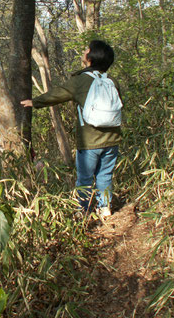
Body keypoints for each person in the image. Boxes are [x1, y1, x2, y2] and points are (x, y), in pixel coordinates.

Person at [21, 40, 122, 218]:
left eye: (87, 50)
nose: (84, 51)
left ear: (91, 57)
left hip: (89, 141)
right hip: (113, 139)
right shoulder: (112, 81)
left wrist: (34, 102)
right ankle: (104, 208)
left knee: (85, 178)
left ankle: (82, 211)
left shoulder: (81, 80)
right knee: (105, 175)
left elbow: (58, 94)